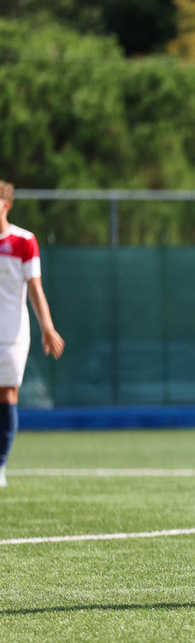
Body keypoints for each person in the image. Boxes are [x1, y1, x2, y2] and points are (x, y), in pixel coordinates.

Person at [0, 181, 65, 488]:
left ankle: (0, 464)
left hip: (12, 333)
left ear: (6, 205)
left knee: (7, 394)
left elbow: (35, 287)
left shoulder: (24, 241)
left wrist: (47, 327)